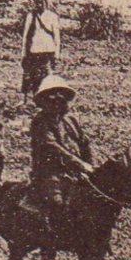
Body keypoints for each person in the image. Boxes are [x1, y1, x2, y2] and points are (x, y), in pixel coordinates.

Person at [25, 73, 94, 223]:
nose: (57, 101)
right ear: (44, 101)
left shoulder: (70, 120)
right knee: (57, 204)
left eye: (61, 98)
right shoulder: (40, 121)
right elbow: (52, 147)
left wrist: (90, 166)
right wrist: (80, 164)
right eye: (52, 98)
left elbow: (84, 143)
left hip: (75, 172)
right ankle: (53, 241)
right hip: (50, 173)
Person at [20, 0, 62, 97]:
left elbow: (57, 37)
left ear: (46, 2)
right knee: (34, 76)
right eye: (37, 2)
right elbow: (26, 35)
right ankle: (36, 96)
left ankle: (48, 97)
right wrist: (24, 52)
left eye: (42, 2)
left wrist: (57, 54)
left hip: (48, 50)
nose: (40, 5)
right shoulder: (31, 16)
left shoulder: (52, 16)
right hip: (34, 50)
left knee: (48, 75)